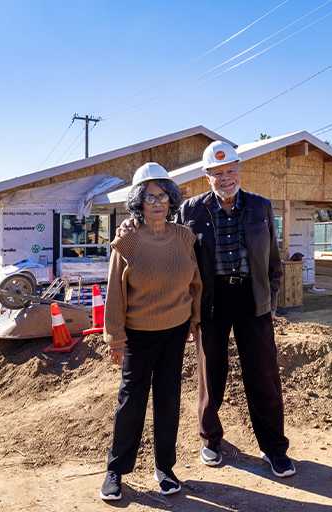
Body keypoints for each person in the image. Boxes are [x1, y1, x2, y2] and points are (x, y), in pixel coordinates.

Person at [116, 141, 295, 478]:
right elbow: (163, 234)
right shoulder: (191, 211)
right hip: (209, 303)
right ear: (207, 176)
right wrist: (130, 227)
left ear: (239, 170)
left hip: (253, 301)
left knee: (264, 376)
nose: (225, 178)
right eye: (217, 173)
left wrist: (270, 301)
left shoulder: (260, 207)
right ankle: (211, 439)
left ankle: (274, 448)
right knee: (211, 375)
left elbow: (274, 260)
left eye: (230, 171)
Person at [100, 163, 202, 501]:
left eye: (162, 196)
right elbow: (115, 291)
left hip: (174, 333)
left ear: (171, 200)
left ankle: (165, 468)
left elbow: (195, 284)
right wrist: (115, 337)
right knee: (131, 402)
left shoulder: (184, 237)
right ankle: (116, 470)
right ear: (138, 202)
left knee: (168, 400)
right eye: (149, 197)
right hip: (138, 335)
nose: (157, 202)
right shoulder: (127, 240)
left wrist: (193, 323)